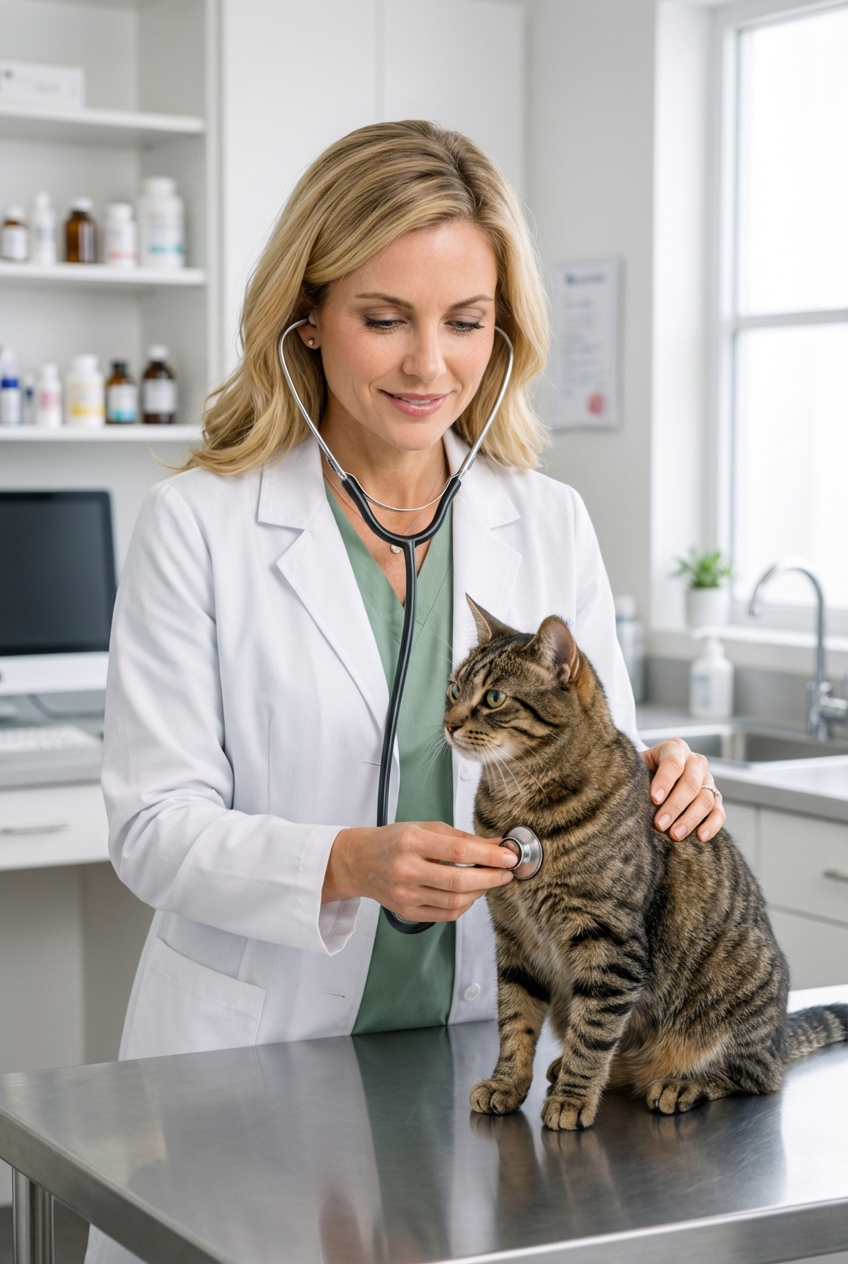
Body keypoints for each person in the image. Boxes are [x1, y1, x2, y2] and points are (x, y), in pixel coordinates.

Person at [87, 119, 724, 1263]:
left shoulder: (548, 520)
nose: (429, 364)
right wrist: (340, 861)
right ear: (307, 319)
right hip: (252, 1065)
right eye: (384, 319)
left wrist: (663, 781)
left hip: (479, 1064)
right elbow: (149, 827)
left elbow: (594, 763)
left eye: (465, 322)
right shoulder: (201, 524)